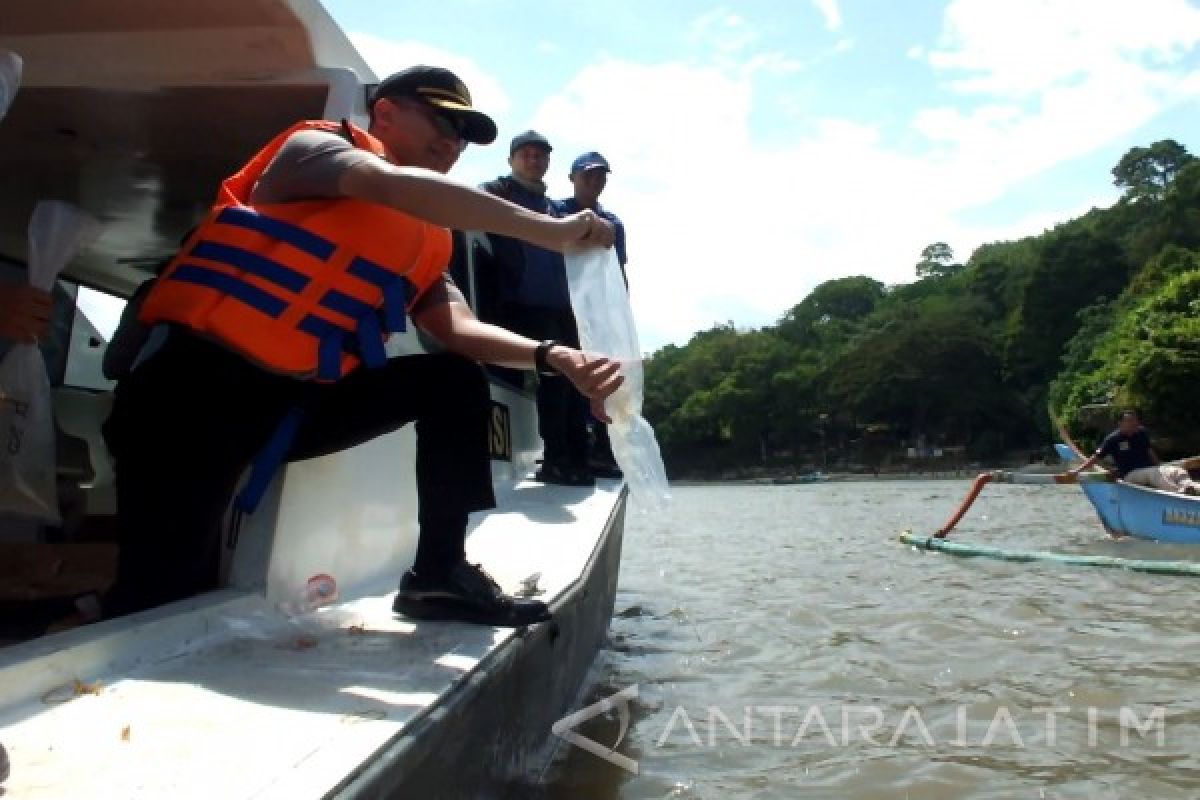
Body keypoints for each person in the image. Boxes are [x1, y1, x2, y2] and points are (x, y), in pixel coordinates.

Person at [101, 65, 622, 627]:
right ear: (386, 112)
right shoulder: (315, 149)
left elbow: (457, 328)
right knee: (158, 602)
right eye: (442, 121)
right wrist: (546, 229)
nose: (453, 142)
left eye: (463, 135)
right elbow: (389, 186)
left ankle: (439, 577)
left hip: (287, 407)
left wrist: (554, 357)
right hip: (187, 397)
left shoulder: (428, 239)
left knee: (451, 379)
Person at [481, 132, 605, 487]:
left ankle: (578, 457)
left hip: (561, 307)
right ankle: (556, 460)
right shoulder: (496, 192)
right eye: (526, 155)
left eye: (540, 155)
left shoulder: (553, 208)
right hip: (525, 305)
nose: (534, 160)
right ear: (512, 160)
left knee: (576, 383)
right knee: (555, 382)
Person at [557, 151, 627, 478]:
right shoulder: (555, 211)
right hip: (561, 308)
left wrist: (621, 312)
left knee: (604, 378)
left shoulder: (614, 224)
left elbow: (618, 271)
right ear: (572, 178)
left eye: (600, 176)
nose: (594, 181)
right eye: (588, 175)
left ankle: (603, 449)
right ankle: (570, 452)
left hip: (599, 313)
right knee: (568, 380)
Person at [1069, 410, 1200, 495]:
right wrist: (1077, 472)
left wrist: (1161, 465)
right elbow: (1095, 458)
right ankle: (1180, 492)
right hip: (1130, 475)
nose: (1134, 423)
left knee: (1177, 471)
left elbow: (1149, 451)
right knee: (1153, 473)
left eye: (1135, 421)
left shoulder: (1141, 433)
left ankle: (1192, 488)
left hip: (1151, 469)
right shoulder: (1113, 439)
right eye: (1129, 421)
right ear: (1120, 423)